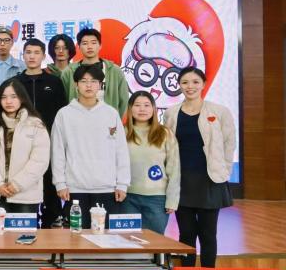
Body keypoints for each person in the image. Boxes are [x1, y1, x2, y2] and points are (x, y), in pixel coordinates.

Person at [164, 67, 236, 267]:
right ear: (179, 85)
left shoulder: (219, 111)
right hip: (182, 181)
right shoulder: (171, 113)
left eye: (195, 82)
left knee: (208, 234)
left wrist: (224, 170)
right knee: (186, 233)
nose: (190, 86)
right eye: (185, 82)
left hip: (209, 180)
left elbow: (229, 143)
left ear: (203, 84)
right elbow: (167, 146)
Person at [51, 63, 130, 225]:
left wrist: (122, 184)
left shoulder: (111, 113)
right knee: (76, 236)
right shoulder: (64, 114)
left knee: (104, 236)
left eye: (93, 81)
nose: (89, 85)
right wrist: (60, 183)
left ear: (100, 85)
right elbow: (57, 151)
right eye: (83, 81)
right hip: (74, 188)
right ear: (76, 85)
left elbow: (120, 151)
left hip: (107, 188)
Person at [0, 80, 50, 227]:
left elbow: (40, 160)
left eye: (13, 96)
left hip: (25, 194)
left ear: (22, 98)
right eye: (4, 97)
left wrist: (17, 184)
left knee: (22, 238)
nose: (8, 101)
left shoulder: (35, 124)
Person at [16, 37, 67, 227]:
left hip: (49, 140)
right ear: (23, 55)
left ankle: (52, 219)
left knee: (49, 179)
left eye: (37, 53)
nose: (32, 56)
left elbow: (62, 112)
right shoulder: (15, 83)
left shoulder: (54, 82)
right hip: (21, 142)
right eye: (28, 52)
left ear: (44, 56)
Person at [122, 91, 180, 235]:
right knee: (127, 241)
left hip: (157, 199)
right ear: (130, 108)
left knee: (154, 242)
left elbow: (174, 168)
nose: (142, 109)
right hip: (126, 197)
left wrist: (172, 199)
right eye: (137, 105)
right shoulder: (122, 132)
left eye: (147, 105)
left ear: (154, 109)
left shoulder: (164, 133)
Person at [59, 28, 130, 115]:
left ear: (100, 46)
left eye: (93, 43)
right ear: (79, 47)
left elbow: (124, 100)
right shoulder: (69, 72)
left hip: (106, 120)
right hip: (77, 120)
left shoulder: (114, 71)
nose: (89, 47)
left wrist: (114, 119)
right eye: (85, 43)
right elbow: (63, 100)